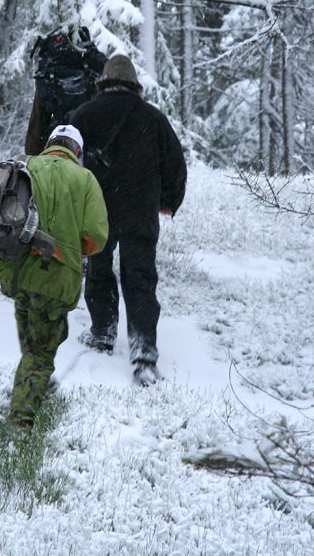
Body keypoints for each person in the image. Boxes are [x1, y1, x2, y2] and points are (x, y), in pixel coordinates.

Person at [0, 125, 108, 428]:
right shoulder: (85, 178)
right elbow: (95, 237)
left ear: (49, 145)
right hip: (54, 281)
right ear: (77, 152)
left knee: (34, 339)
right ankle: (20, 423)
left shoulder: (25, 165)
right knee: (40, 353)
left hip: (18, 274)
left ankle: (35, 385)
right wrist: (71, 248)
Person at [70, 55, 187, 386]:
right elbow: (175, 166)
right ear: (136, 86)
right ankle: (144, 354)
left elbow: (64, 160)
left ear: (103, 83)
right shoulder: (153, 118)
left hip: (98, 212)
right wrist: (167, 203)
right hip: (140, 213)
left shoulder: (84, 116)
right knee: (140, 279)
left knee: (99, 270)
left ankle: (102, 332)